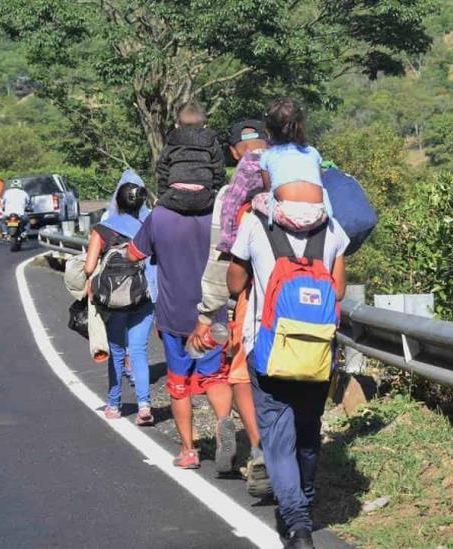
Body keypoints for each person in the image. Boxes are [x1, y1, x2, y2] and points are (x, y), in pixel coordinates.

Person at [227, 107, 349, 549]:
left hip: (268, 348)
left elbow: (234, 281)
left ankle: (296, 523)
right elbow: (336, 291)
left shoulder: (257, 222)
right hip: (316, 349)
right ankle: (306, 500)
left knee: (277, 438)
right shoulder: (332, 229)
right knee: (308, 430)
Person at [187, 119, 271, 496]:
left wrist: (207, 314)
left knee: (241, 375)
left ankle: (260, 452)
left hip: (255, 302)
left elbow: (222, 264)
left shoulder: (231, 197)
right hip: (309, 303)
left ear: (235, 152)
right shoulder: (302, 188)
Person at [127, 197, 236, 471]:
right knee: (215, 377)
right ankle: (224, 424)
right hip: (213, 313)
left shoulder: (159, 215)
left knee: (179, 385)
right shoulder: (219, 212)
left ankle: (188, 452)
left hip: (174, 314)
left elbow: (133, 253)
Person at [83, 170, 156, 426]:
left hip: (113, 299)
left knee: (116, 351)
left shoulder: (102, 229)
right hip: (144, 297)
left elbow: (90, 267)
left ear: (117, 199)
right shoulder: (150, 226)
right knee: (138, 351)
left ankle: (114, 404)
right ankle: (144, 405)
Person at [259, 97, 332, 226]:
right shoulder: (313, 152)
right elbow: (320, 180)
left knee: (258, 199)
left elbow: (268, 190)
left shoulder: (267, 156)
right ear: (301, 126)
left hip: (287, 215)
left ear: (268, 129)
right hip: (318, 215)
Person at [156, 101, 226, 213]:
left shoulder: (172, 141)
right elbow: (219, 170)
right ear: (204, 126)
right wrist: (216, 190)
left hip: (175, 197)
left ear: (176, 125)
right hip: (205, 198)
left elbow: (163, 170)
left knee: (157, 209)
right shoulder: (212, 142)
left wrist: (162, 195)